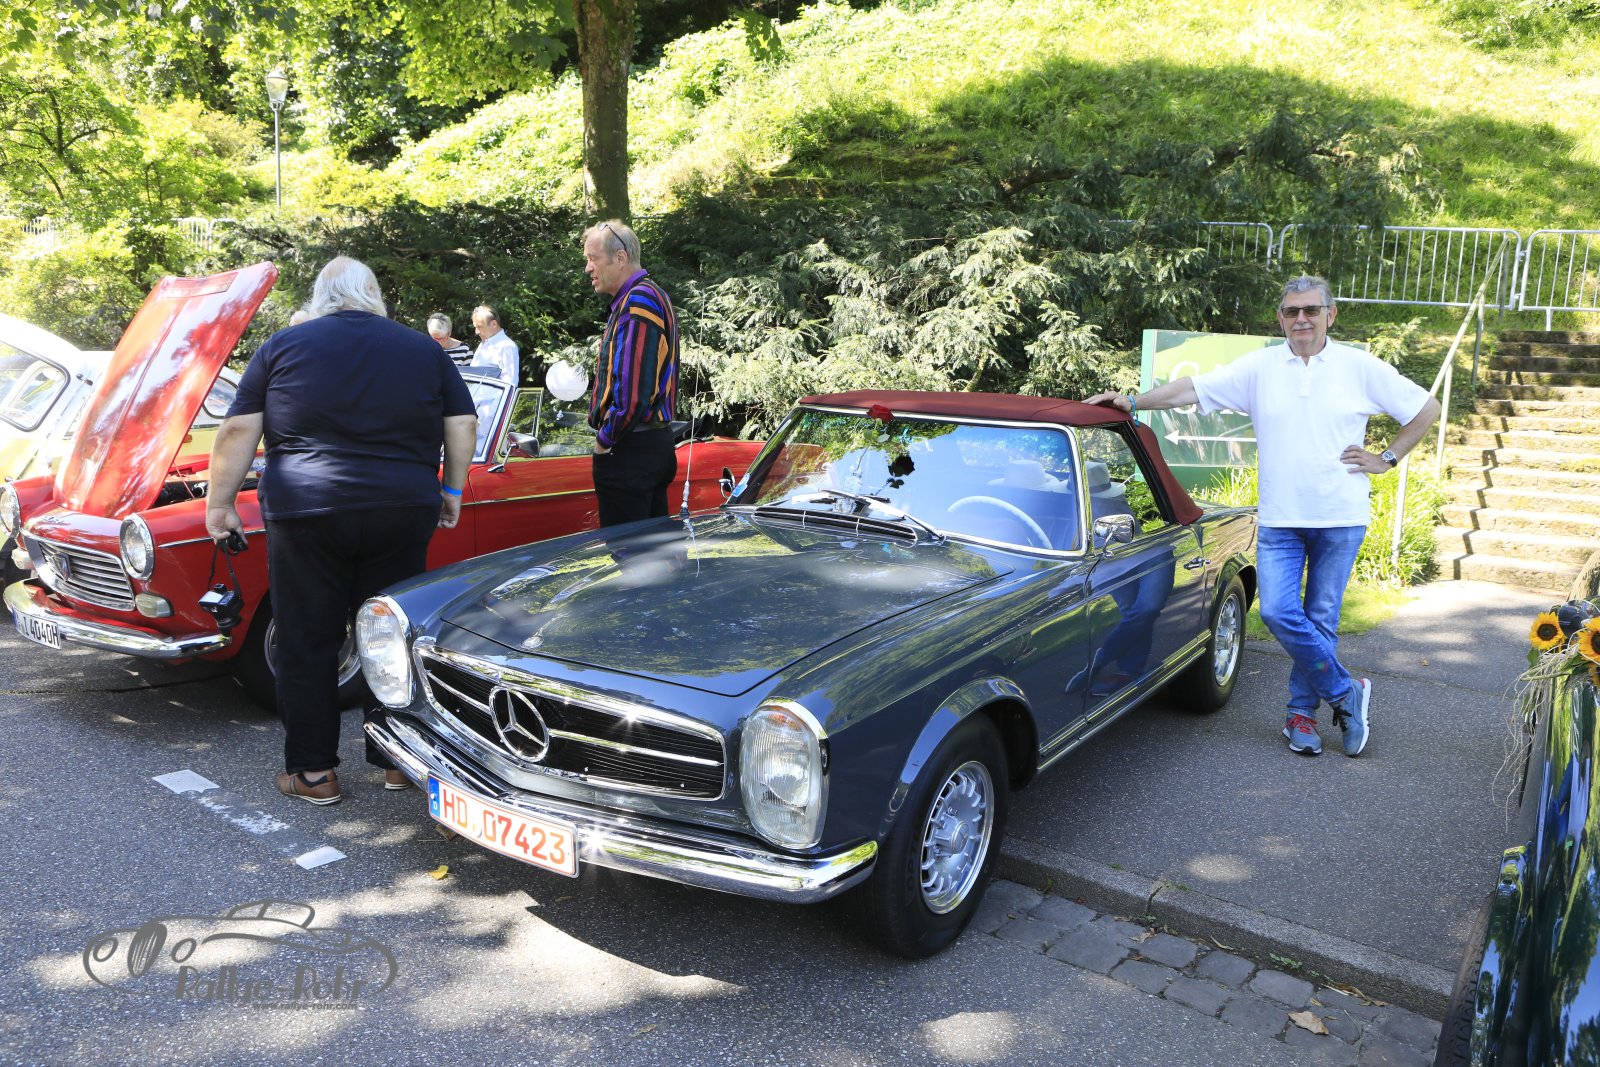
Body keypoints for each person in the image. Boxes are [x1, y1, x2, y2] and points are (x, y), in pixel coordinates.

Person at [1085, 275, 1440, 758]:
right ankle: (1345, 691)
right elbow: (1193, 388)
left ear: (1330, 315)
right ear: (1280, 318)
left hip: (1340, 516)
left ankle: (1300, 715)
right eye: (1292, 311)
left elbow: (1425, 408)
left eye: (1311, 310)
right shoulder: (1261, 367)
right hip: (1281, 518)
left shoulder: (1359, 367)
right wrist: (1133, 401)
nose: (1302, 319)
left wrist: (1388, 458)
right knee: (1276, 611)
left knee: (1321, 618)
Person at [204, 257, 478, 804]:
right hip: (401, 507)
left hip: (307, 510)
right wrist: (451, 490)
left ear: (320, 297)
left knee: (307, 637)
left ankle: (313, 773)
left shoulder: (283, 346)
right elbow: (463, 422)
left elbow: (238, 429)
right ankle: (399, 762)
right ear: (374, 295)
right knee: (391, 633)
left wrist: (220, 505)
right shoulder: (423, 348)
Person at [582, 219, 680, 527]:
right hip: (646, 445)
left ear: (620, 257)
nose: (588, 268)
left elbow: (633, 392)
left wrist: (605, 439)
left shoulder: (638, 300)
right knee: (650, 550)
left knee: (627, 551)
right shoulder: (648, 295)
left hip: (631, 450)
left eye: (593, 258)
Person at [470, 304, 519, 385]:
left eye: (479, 327)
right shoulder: (483, 344)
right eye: (475, 327)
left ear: (494, 324)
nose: (476, 332)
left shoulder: (507, 346)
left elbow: (510, 384)